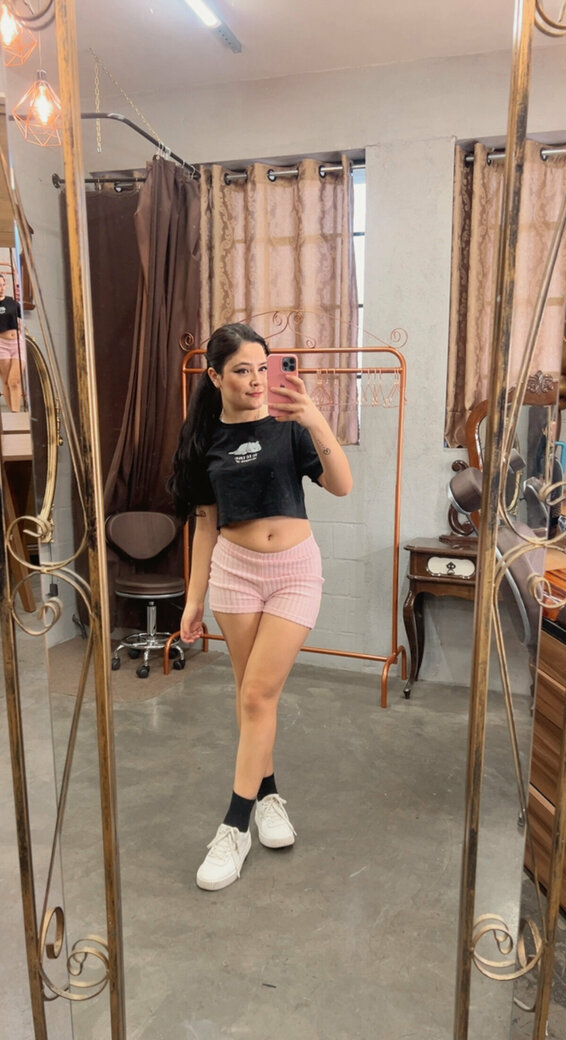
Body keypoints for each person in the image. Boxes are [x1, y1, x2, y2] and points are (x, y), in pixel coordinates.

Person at [168, 323, 352, 891]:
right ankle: (269, 797)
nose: (254, 380)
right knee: (253, 696)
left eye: (261, 368)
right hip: (234, 575)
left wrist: (314, 417)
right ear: (215, 376)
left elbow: (342, 485)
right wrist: (194, 600)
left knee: (255, 695)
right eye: (241, 370)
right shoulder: (204, 441)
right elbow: (204, 526)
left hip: (294, 572)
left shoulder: (290, 427)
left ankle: (235, 826)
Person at [0, 271, 23, 412]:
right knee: (5, 381)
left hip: (16, 343)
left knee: (14, 381)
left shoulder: (11, 302)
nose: (2, 288)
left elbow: (21, 318)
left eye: (4, 285)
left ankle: (16, 412)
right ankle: (13, 412)